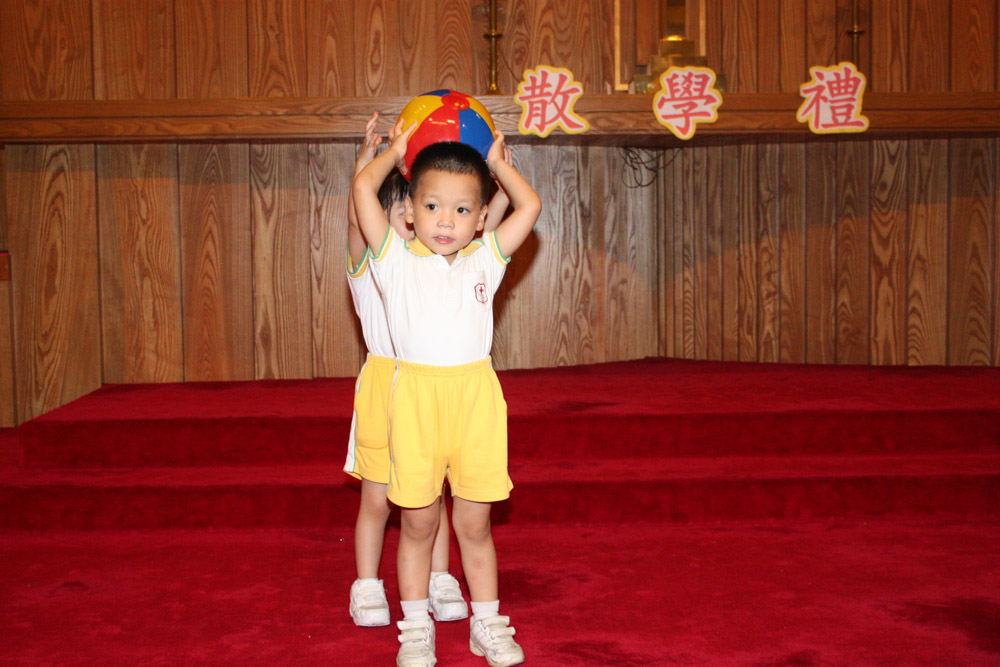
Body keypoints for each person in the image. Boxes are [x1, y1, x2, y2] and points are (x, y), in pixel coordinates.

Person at [352, 118, 541, 667]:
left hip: (475, 403)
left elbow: (528, 206)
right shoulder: (393, 259)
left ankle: (487, 623)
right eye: (432, 206)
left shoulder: (486, 258)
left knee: (475, 525)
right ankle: (416, 629)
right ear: (410, 211)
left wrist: (498, 164)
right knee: (418, 523)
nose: (445, 220)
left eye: (461, 210)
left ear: (480, 218)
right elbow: (363, 188)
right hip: (415, 402)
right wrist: (394, 152)